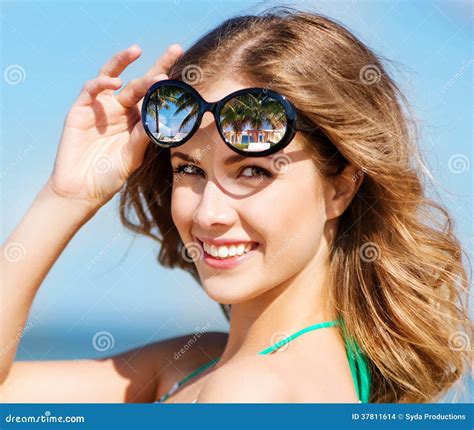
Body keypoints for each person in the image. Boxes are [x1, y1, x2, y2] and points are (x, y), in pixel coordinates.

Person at [1, 7, 470, 404]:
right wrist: (69, 194)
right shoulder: (199, 362)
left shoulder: (250, 389)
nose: (208, 214)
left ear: (341, 189)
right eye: (188, 169)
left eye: (253, 171)